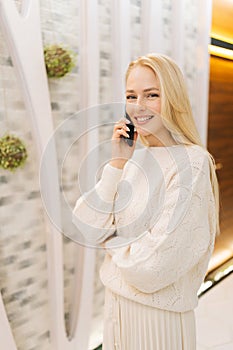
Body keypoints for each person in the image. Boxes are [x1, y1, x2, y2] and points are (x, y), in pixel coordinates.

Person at [72, 53, 220, 350]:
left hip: (157, 319)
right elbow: (86, 225)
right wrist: (116, 163)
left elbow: (154, 266)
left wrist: (109, 238)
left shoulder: (192, 162)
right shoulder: (132, 157)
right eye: (131, 95)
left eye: (151, 95)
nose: (138, 106)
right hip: (116, 309)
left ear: (173, 98)